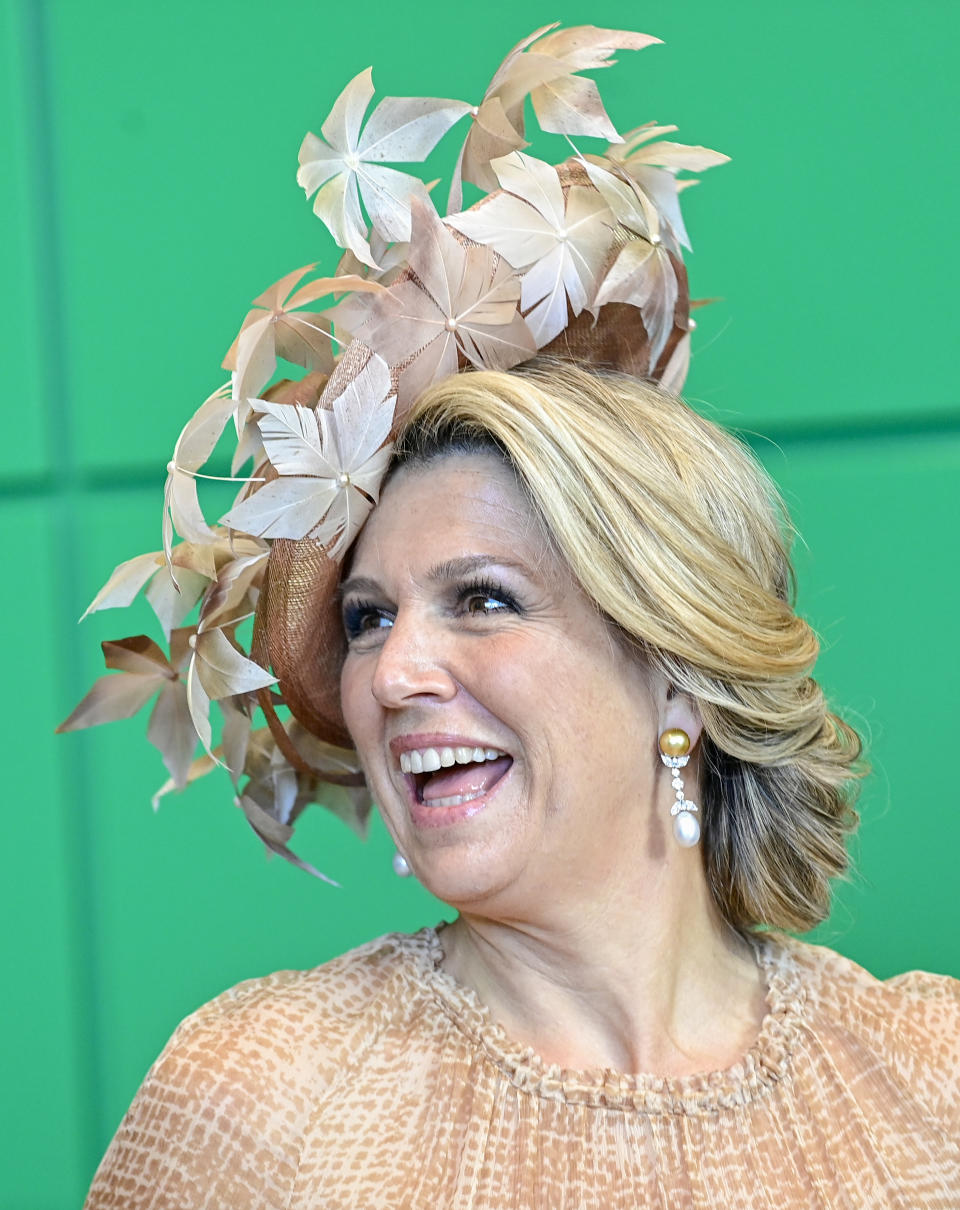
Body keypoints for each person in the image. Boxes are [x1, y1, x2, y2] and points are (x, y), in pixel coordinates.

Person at [69, 25, 959, 1209]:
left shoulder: (929, 1080)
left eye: (482, 599)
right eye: (372, 618)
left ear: (680, 666)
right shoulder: (262, 1102)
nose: (389, 677)